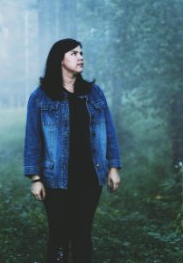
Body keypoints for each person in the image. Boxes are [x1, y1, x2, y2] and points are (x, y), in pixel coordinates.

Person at [24, 38, 122, 263]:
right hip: (55, 178)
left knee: (82, 233)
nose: (81, 57)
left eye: (81, 53)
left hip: (90, 176)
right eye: (74, 53)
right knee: (59, 235)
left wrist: (113, 167)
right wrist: (35, 178)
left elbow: (109, 131)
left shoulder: (94, 93)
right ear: (59, 59)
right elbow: (32, 139)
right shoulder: (40, 97)